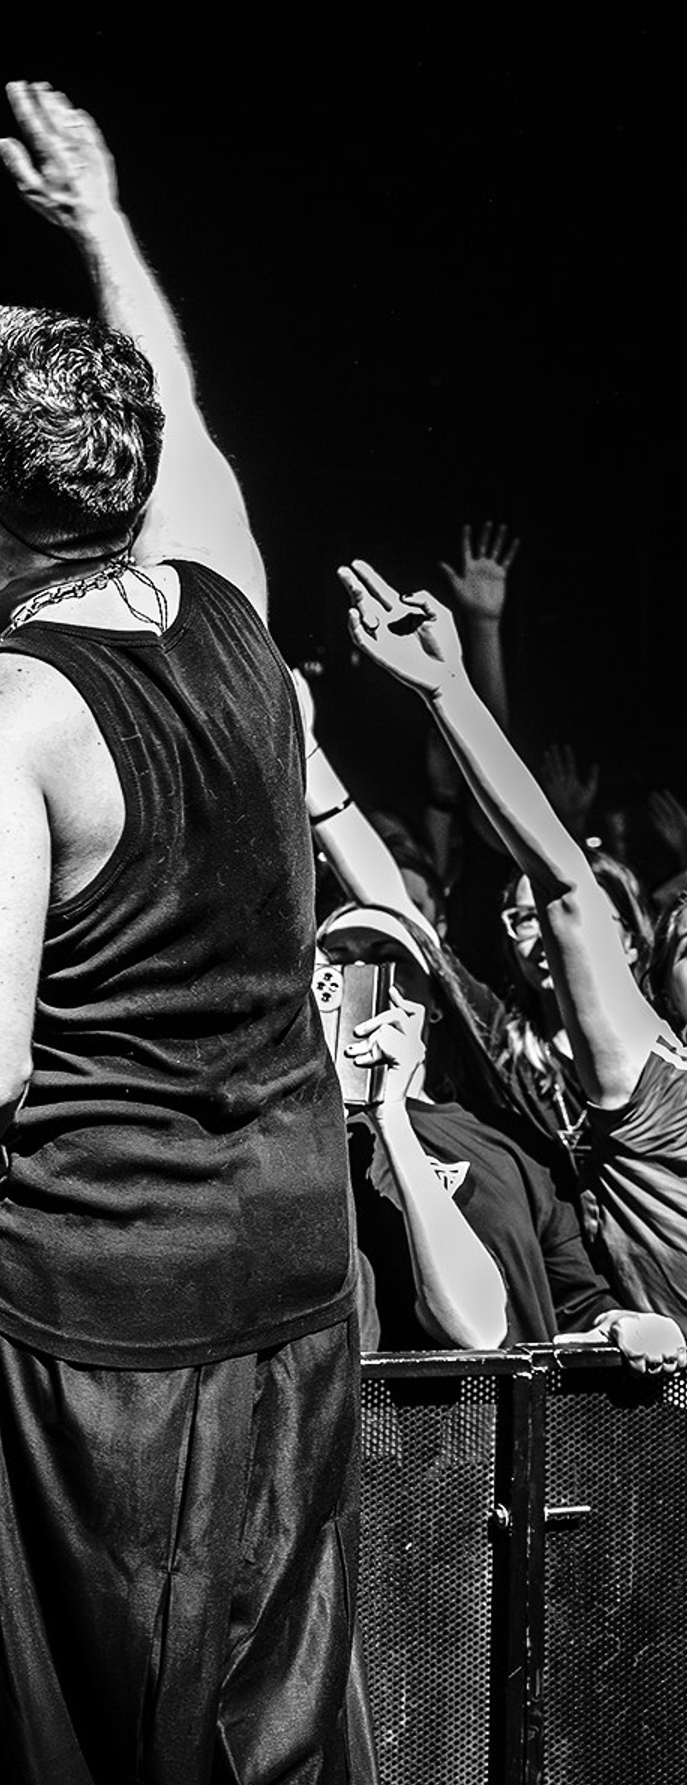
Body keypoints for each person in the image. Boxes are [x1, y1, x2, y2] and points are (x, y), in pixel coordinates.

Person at [0, 82, 361, 1779]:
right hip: (304, 1266)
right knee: (277, 1718)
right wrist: (102, 219)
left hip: (114, 1301)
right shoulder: (228, 589)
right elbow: (185, 420)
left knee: (96, 1734)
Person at [340, 558, 687, 1326]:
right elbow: (419, 912)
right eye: (515, 920)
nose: (538, 935)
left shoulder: (652, 1069)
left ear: (633, 952)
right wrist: (443, 693)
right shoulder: (590, 1059)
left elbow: (565, 881)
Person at [322, 902, 685, 1374]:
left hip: (509, 1436)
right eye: (335, 961)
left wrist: (622, 1322)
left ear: (434, 1002)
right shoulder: (295, 1140)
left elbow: (572, 1300)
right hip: (376, 1437)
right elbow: (470, 1330)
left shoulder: (511, 1140)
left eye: (388, 957)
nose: (359, 973)